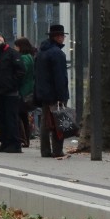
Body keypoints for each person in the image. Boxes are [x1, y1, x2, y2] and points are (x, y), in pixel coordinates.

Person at [33, 24, 70, 158]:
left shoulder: (41, 52)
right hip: (54, 93)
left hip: (43, 92)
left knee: (45, 122)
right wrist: (62, 96)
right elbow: (60, 77)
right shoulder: (57, 54)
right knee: (58, 122)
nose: (63, 38)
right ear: (58, 37)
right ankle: (57, 150)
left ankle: (45, 150)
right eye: (62, 36)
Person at [0, 32, 24, 153]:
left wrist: (12, 85)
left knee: (11, 118)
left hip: (10, 92)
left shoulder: (12, 54)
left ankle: (15, 143)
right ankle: (5, 142)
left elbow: (20, 71)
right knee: (1, 119)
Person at [13, 36, 38, 148]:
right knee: (23, 115)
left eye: (16, 46)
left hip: (23, 90)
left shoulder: (24, 58)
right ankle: (25, 138)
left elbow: (22, 73)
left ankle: (23, 138)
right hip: (27, 89)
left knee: (19, 114)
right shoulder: (30, 57)